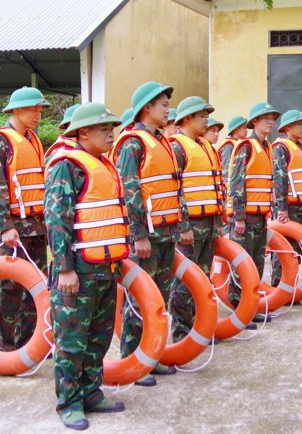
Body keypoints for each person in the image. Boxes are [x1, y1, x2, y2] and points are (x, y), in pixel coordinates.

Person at [45, 102, 128, 429]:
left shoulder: (103, 164)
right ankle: (69, 402)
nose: (111, 134)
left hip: (105, 269)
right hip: (77, 271)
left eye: (112, 128)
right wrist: (64, 268)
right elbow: (56, 219)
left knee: (99, 336)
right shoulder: (67, 165)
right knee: (71, 341)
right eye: (103, 128)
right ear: (82, 133)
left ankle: (91, 392)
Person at [109, 82, 192, 386]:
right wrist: (138, 234)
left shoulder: (164, 142)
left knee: (160, 299)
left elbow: (175, 186)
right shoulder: (133, 143)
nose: (168, 109)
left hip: (167, 232)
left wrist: (181, 225)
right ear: (147, 108)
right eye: (163, 105)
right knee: (138, 300)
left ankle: (152, 356)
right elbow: (128, 190)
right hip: (147, 236)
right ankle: (134, 358)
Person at [0, 86, 50, 352]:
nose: (38, 114)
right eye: (33, 109)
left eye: (40, 109)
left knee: (35, 290)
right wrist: (5, 227)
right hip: (13, 231)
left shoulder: (33, 139)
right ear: (16, 110)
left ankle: (28, 345)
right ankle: (3, 348)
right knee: (8, 291)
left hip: (36, 228)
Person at [168, 97, 225, 341]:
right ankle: (182, 333)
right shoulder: (177, 147)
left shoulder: (206, 146)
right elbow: (174, 188)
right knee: (185, 282)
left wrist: (220, 221)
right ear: (188, 118)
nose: (207, 120)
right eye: (202, 116)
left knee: (203, 279)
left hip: (209, 223)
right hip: (190, 225)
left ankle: (199, 328)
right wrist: (183, 225)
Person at [226, 102, 278, 309]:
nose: (270, 121)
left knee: (256, 265)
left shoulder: (267, 147)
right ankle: (239, 306)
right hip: (244, 219)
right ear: (254, 122)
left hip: (260, 217)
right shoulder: (246, 146)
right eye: (266, 118)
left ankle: (251, 305)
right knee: (242, 265)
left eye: (273, 118)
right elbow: (236, 182)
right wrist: (238, 216)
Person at [270, 110, 302, 289]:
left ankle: (292, 285)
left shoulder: (301, 147)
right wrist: (282, 207)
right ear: (287, 127)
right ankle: (278, 286)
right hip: (287, 207)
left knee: (296, 250)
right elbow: (279, 178)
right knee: (283, 248)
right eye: (299, 124)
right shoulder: (281, 148)